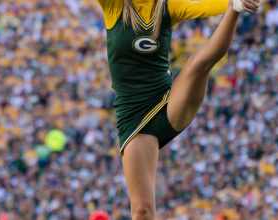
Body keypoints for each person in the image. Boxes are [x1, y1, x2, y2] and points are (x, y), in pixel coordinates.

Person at [97, 0, 260, 219]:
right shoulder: (114, 5)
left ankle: (236, 10)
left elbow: (207, 6)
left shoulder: (168, 5)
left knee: (198, 66)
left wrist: (234, 3)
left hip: (169, 101)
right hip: (134, 117)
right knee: (142, 210)